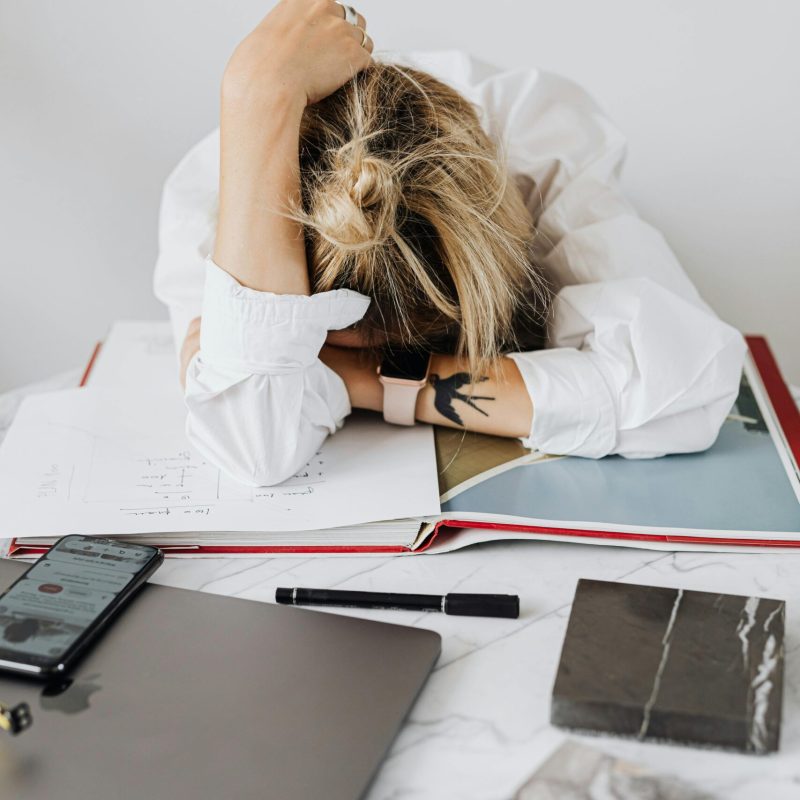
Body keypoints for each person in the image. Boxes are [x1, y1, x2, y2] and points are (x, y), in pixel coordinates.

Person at [154, 0, 746, 487]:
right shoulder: (215, 199)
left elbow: (684, 389)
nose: (356, 351)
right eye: (334, 340)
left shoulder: (538, 137)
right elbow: (254, 445)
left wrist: (365, 378)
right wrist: (256, 97)